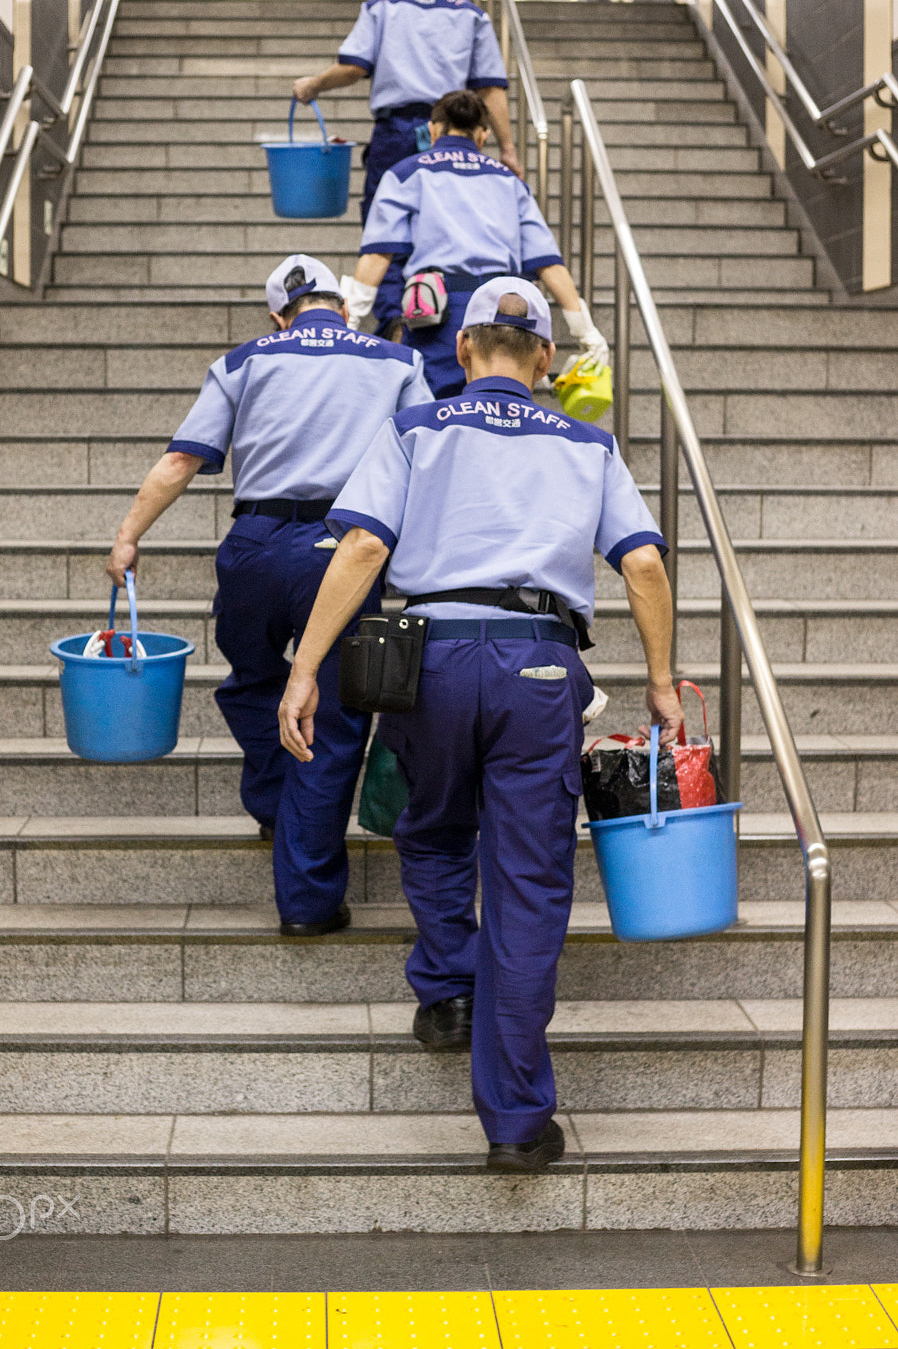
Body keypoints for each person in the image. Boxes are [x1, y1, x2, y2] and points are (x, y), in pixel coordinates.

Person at [277, 279, 682, 1170]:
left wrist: (306, 667)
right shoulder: (587, 440)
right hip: (540, 663)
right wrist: (659, 681)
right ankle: (515, 1121)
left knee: (430, 826)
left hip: (430, 657)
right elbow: (643, 564)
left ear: (460, 352)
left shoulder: (419, 427)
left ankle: (450, 988)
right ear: (544, 359)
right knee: (530, 884)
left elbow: (364, 546)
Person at [106, 254, 432, 935]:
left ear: (279, 314)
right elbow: (429, 460)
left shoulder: (244, 359)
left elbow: (179, 461)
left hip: (253, 544)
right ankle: (309, 899)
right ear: (341, 306)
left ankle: (277, 807)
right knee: (334, 720)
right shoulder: (394, 361)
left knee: (251, 683)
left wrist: (129, 536)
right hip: (344, 551)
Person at [343, 89, 608, 397]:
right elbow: (548, 262)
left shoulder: (405, 174)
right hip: (504, 314)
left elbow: (378, 255)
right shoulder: (510, 182)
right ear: (482, 135)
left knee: (436, 420)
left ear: (433, 129)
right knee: (501, 413)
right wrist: (585, 332)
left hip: (436, 316)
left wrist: (349, 323)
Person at [293, 0, 522, 235]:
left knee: (385, 220)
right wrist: (507, 150)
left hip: (394, 131)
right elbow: (490, 89)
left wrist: (312, 85)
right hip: (449, 131)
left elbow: (352, 68)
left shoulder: (381, 7)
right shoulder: (472, 15)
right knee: (447, 221)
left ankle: (387, 279)